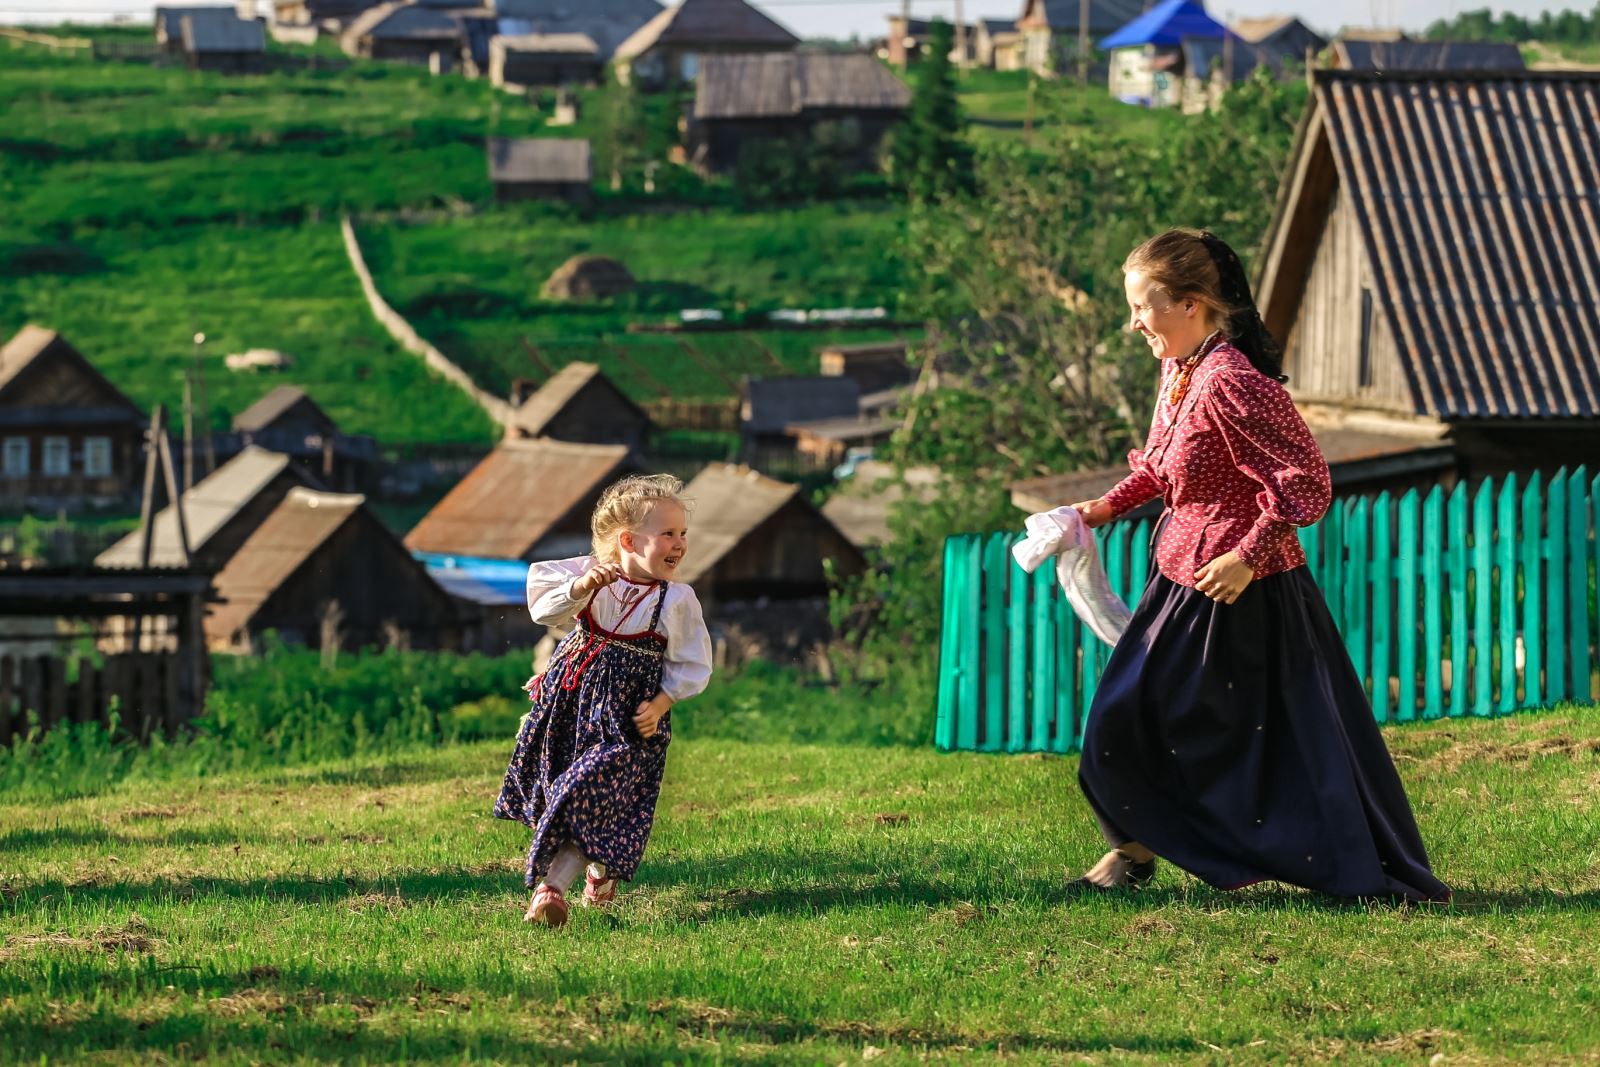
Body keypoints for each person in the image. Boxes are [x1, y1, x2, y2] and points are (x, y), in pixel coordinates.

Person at [1068, 228, 1449, 903]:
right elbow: (1162, 465)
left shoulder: (1229, 380)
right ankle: (1134, 849)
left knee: (1253, 737)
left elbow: (1305, 481)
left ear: (1191, 304)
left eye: (1142, 307)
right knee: (1129, 719)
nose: (1133, 323)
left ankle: (1340, 867)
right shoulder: (1180, 371)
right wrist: (1104, 506)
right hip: (1184, 574)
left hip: (1247, 589)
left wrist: (1247, 557)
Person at [493, 474, 713, 926]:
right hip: (571, 704)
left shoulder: (677, 600)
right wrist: (580, 589)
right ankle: (597, 871)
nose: (679, 544)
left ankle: (550, 890)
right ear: (629, 540)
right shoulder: (588, 574)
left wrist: (661, 704)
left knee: (587, 788)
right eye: (668, 534)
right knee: (572, 795)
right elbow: (543, 608)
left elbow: (693, 663)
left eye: (683, 534)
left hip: (628, 717)